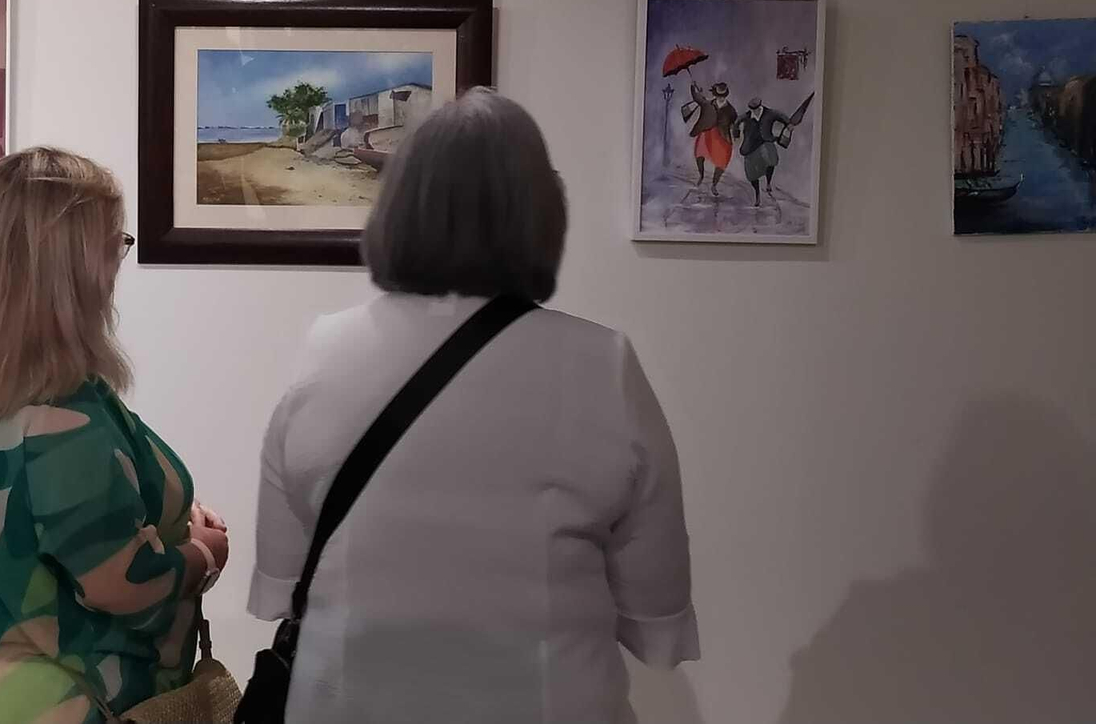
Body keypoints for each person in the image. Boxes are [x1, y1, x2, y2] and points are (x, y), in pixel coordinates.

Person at [249, 87, 698, 724]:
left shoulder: (325, 351)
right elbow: (656, 612)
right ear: (543, 214)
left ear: (398, 206)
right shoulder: (603, 364)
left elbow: (280, 579)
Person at [0, 148, 231, 724]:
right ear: (70, 267)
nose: (117, 265)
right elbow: (120, 584)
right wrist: (204, 554)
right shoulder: (60, 417)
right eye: (115, 245)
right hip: (69, 702)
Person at [736, 96, 800, 206]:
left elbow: (781, 116)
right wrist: (736, 134)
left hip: (766, 141)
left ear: (760, 106)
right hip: (750, 147)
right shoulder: (747, 116)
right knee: (751, 174)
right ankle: (757, 196)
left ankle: (768, 182)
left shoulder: (769, 113)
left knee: (771, 160)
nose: (754, 111)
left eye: (756, 108)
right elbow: (737, 122)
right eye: (752, 109)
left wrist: (788, 124)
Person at [687, 80, 737, 196]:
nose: (721, 98)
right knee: (699, 154)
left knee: (722, 160)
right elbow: (697, 98)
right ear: (715, 95)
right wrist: (693, 86)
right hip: (707, 133)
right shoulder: (708, 104)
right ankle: (701, 175)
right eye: (719, 96)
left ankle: (714, 184)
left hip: (722, 136)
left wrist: (735, 132)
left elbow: (734, 123)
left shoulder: (731, 110)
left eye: (723, 96)